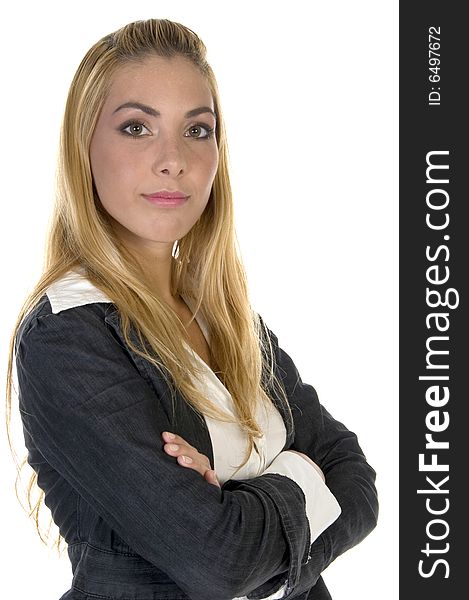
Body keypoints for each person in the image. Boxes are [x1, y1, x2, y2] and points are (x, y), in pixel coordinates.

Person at [7, 18, 378, 600]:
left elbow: (358, 483)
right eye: (136, 128)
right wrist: (299, 475)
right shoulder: (67, 336)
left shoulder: (225, 317)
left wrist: (238, 501)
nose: (172, 160)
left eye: (197, 130)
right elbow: (219, 562)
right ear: (84, 147)